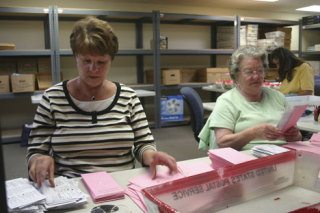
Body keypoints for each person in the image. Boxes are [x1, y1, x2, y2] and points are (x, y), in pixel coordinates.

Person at [26, 16, 178, 187]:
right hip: (71, 190)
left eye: (101, 62)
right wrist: (39, 159)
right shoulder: (52, 98)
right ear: (75, 57)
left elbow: (143, 143)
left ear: (111, 60)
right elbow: (35, 151)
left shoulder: (128, 97)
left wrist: (150, 155)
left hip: (120, 186)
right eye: (87, 61)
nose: (93, 69)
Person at [198, 45, 302, 151]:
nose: (256, 76)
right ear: (235, 75)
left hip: (283, 156)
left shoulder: (278, 97)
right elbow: (223, 142)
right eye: (249, 71)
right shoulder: (226, 101)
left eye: (260, 70)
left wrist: (295, 135)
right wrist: (253, 133)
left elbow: (298, 137)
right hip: (246, 160)